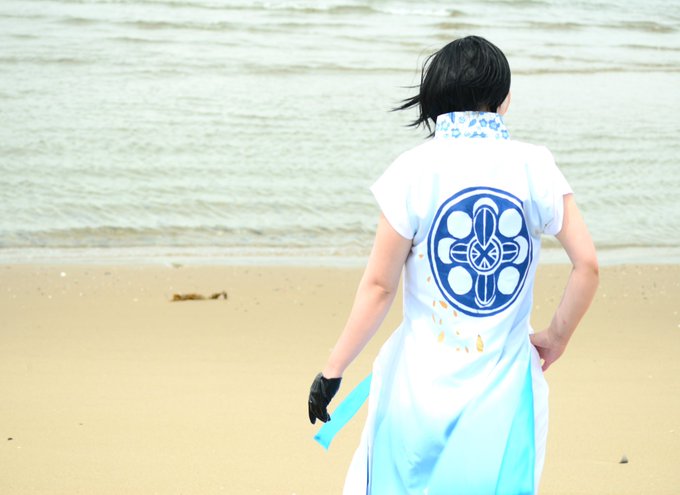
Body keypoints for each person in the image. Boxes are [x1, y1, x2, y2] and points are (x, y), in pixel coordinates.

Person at [307, 35, 598, 495]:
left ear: (435, 99)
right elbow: (587, 266)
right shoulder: (535, 165)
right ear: (504, 99)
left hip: (416, 391)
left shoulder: (411, 170)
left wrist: (333, 370)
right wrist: (556, 337)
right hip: (505, 394)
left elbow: (379, 287)